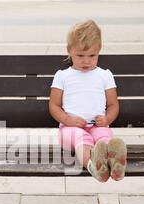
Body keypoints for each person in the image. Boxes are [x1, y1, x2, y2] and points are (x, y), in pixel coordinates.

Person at [49, 19, 127, 182]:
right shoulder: (62, 76)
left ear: (99, 50)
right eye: (80, 55)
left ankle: (114, 166)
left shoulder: (104, 75)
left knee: (105, 138)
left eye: (92, 55)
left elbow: (113, 105)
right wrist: (67, 119)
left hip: (96, 126)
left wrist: (106, 119)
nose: (86, 61)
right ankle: (93, 166)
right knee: (81, 138)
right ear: (69, 50)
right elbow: (54, 105)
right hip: (69, 129)